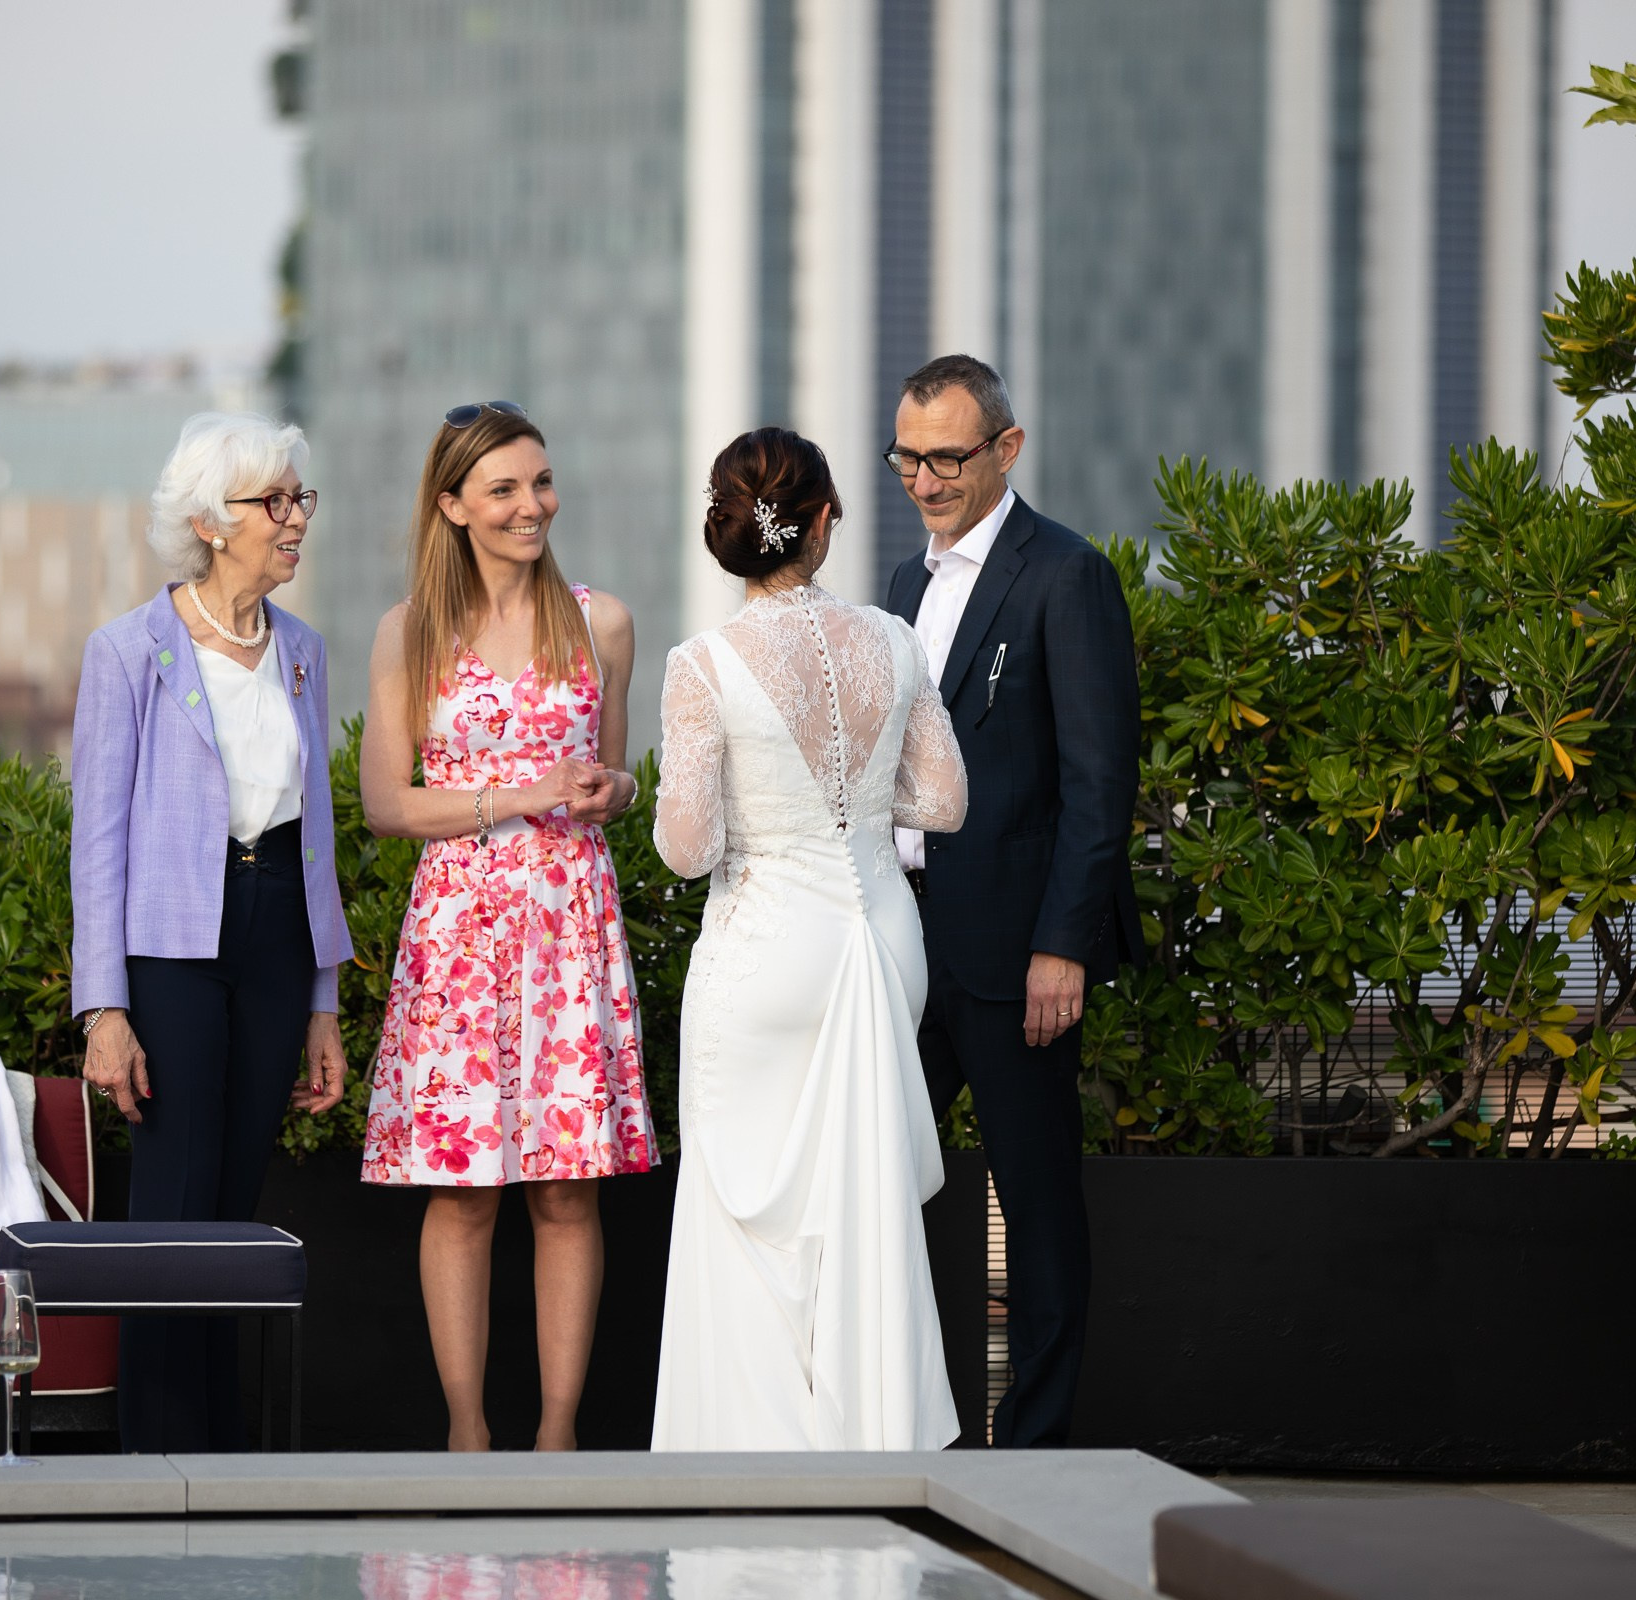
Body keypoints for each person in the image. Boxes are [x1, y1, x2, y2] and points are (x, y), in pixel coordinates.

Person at [651, 426, 968, 1451]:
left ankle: (753, 1465)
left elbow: (689, 849)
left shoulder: (702, 665)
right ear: (823, 520)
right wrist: (859, 803)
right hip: (879, 937)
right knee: (861, 1204)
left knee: (748, 1223)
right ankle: (869, 1442)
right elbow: (947, 801)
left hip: (765, 950)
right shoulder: (893, 638)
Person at [359, 400, 659, 1453]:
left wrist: (604, 789)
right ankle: (468, 1433)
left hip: (569, 925)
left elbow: (620, 778)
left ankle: (560, 1437)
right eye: (504, 488)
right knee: (466, 1193)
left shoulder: (603, 622)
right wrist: (522, 793)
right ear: (451, 506)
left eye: (540, 481)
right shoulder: (409, 632)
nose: (533, 504)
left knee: (568, 1192)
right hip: (459, 932)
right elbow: (388, 805)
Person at [69, 411, 355, 1453]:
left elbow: (314, 834)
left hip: (278, 935)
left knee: (235, 1209)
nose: (293, 521)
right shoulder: (129, 651)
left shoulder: (305, 654)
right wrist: (104, 1006)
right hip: (172, 949)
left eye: (299, 499)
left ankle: (221, 1464)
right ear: (206, 521)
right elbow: (96, 838)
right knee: (170, 1207)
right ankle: (156, 1456)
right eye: (272, 503)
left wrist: (323, 1002)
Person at [882, 354, 1143, 1448]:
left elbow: (1099, 781)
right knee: (886, 1184)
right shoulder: (900, 587)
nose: (927, 480)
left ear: (1007, 448)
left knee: (1034, 1204)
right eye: (908, 458)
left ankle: (1031, 1449)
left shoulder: (1065, 574)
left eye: (948, 456)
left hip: (1016, 951)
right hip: (900, 940)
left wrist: (1062, 947)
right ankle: (910, 1430)